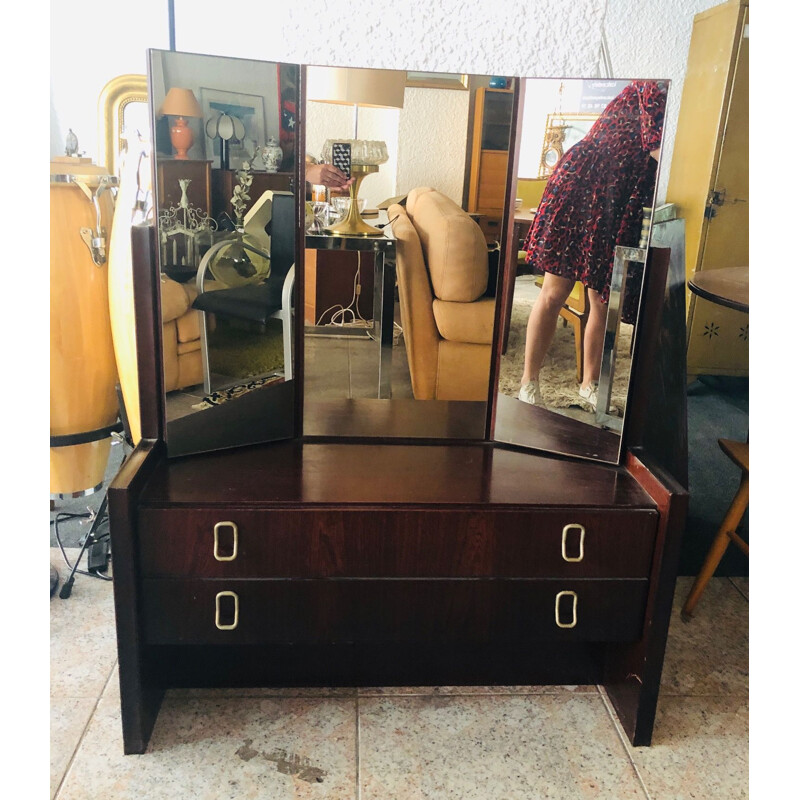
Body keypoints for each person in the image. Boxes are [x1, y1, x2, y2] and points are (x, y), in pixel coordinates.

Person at [518, 80, 666, 412]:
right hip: (586, 185)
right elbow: (659, 149)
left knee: (602, 298)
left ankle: (590, 384)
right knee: (555, 290)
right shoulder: (654, 85)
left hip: (620, 197)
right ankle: (528, 383)